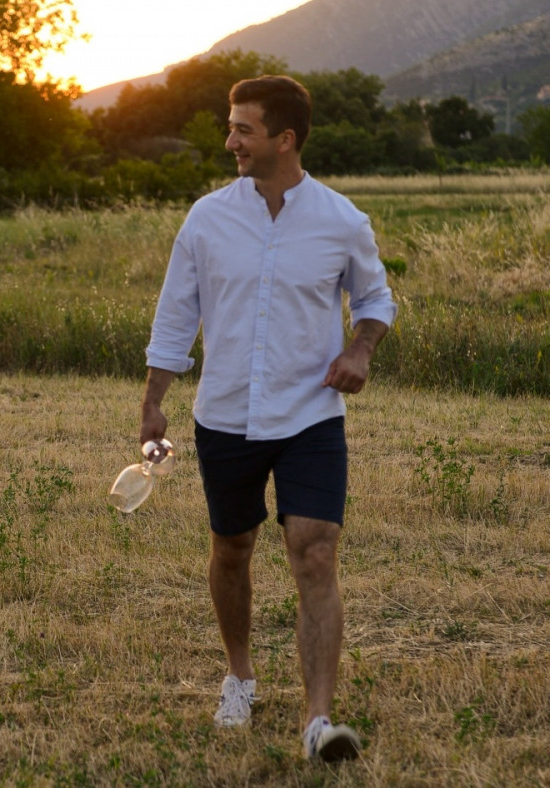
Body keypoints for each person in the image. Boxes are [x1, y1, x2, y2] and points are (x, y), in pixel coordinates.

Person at [138, 75, 396, 762]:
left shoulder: (342, 220)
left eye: (242, 129)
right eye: (231, 127)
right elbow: (175, 316)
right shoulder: (206, 219)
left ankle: (318, 721)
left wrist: (360, 349)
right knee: (232, 548)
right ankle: (240, 676)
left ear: (284, 138)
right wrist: (154, 400)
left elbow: (376, 300)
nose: (230, 141)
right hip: (224, 414)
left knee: (315, 550)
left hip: (311, 414)